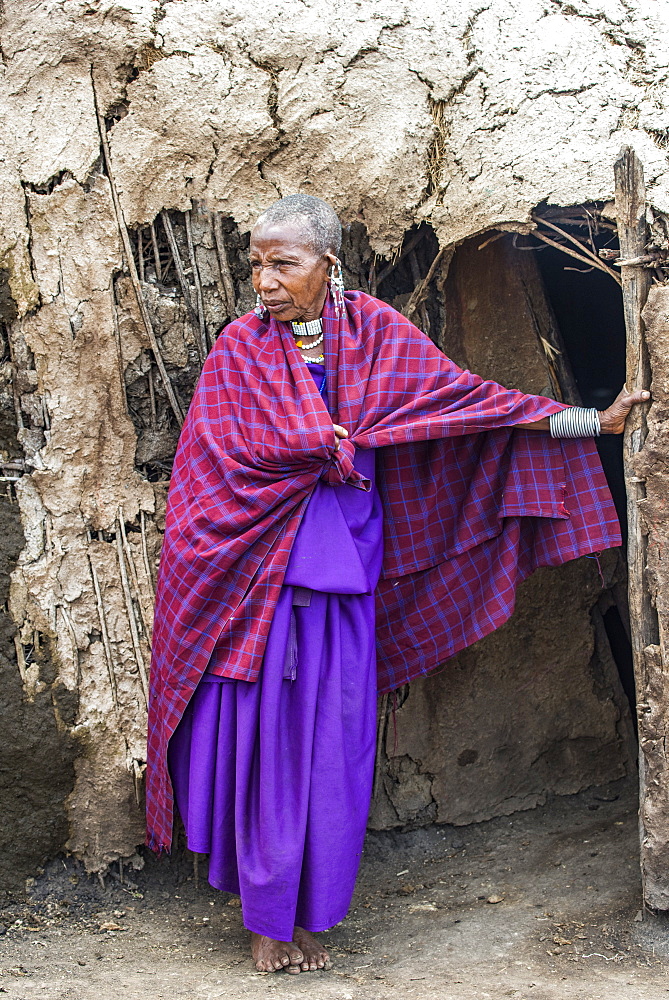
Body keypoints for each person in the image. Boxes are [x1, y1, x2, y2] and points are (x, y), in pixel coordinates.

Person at [146, 194, 648, 975]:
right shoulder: (237, 352)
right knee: (270, 754)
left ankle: (306, 912)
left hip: (345, 586)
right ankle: (267, 922)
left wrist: (592, 423)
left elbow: (468, 404)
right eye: (256, 264)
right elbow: (213, 467)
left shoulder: (376, 335)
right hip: (261, 595)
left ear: (328, 265)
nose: (265, 282)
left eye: (284, 263)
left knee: (335, 755)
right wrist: (310, 443)